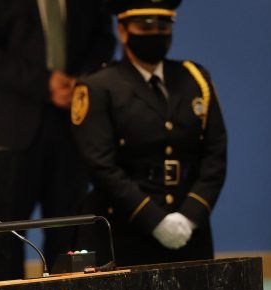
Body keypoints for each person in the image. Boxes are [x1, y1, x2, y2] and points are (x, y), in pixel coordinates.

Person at [0, 0, 115, 280]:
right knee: (1, 237)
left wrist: (79, 82)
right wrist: (45, 83)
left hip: (70, 126)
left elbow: (103, 39)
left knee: (70, 234)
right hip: (5, 128)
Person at [70, 0, 227, 266]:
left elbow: (215, 154)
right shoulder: (97, 86)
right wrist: (154, 219)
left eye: (163, 25)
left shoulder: (195, 79)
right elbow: (101, 165)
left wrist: (190, 215)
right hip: (124, 228)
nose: (156, 33)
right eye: (145, 26)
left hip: (188, 230)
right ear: (122, 30)